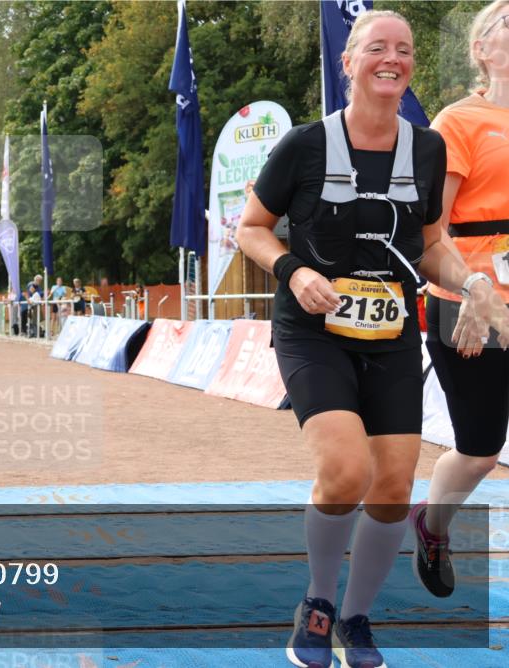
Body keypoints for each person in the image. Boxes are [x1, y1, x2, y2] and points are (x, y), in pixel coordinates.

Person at [235, 11, 509, 668]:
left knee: (392, 485)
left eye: (405, 50)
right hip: (313, 331)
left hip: (390, 331)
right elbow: (251, 227)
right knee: (346, 470)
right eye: (377, 47)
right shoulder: (303, 146)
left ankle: (356, 619)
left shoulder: (426, 148)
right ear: (348, 61)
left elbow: (434, 244)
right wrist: (295, 272)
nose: (393, 58)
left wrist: (470, 285)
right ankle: (318, 603)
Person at [411, 0, 509, 600]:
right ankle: (434, 524)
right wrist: (472, 291)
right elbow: (433, 230)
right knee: (479, 450)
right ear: (481, 49)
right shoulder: (459, 122)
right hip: (468, 300)